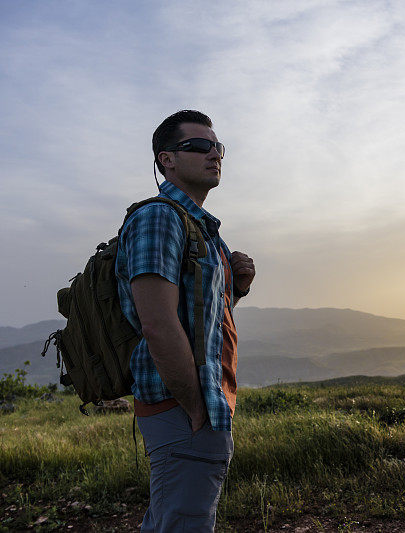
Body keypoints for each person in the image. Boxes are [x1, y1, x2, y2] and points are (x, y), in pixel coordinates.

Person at [115, 109, 255, 532]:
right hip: (182, 406)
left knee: (168, 521)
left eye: (218, 147)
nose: (214, 154)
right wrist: (195, 406)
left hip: (196, 404)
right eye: (199, 145)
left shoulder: (204, 230)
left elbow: (201, 321)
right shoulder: (159, 218)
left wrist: (238, 287)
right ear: (166, 160)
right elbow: (156, 323)